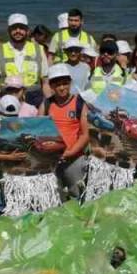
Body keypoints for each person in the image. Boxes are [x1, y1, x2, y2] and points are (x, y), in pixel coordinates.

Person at [43, 63, 90, 198]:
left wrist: (70, 152)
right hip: (52, 160)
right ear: (51, 86)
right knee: (54, 196)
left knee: (79, 195)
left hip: (74, 159)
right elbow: (39, 130)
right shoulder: (46, 104)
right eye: (58, 85)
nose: (62, 88)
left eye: (65, 83)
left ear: (70, 83)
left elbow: (85, 134)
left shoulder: (79, 102)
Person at [0, 13, 48, 106]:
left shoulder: (39, 50)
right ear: (8, 30)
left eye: (21, 28)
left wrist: (47, 105)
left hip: (35, 101)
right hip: (8, 100)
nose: (18, 31)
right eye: (14, 28)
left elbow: (45, 82)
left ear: (28, 31)